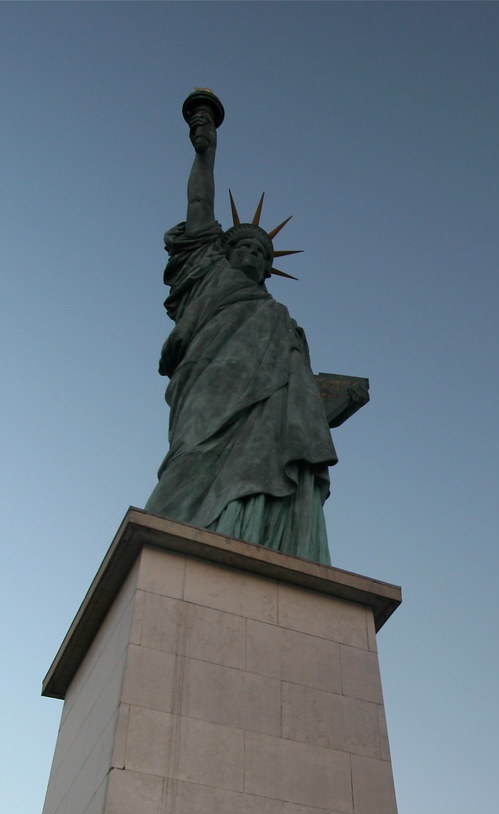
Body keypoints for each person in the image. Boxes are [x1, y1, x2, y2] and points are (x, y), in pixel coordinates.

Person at [145, 93, 337, 563]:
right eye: (246, 248)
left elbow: (297, 394)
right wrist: (204, 150)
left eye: (263, 254)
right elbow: (198, 201)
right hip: (205, 387)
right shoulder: (206, 273)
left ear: (270, 269)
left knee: (259, 463)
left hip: (262, 410)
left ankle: (251, 532)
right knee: (188, 461)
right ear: (226, 252)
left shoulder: (276, 317)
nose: (253, 255)